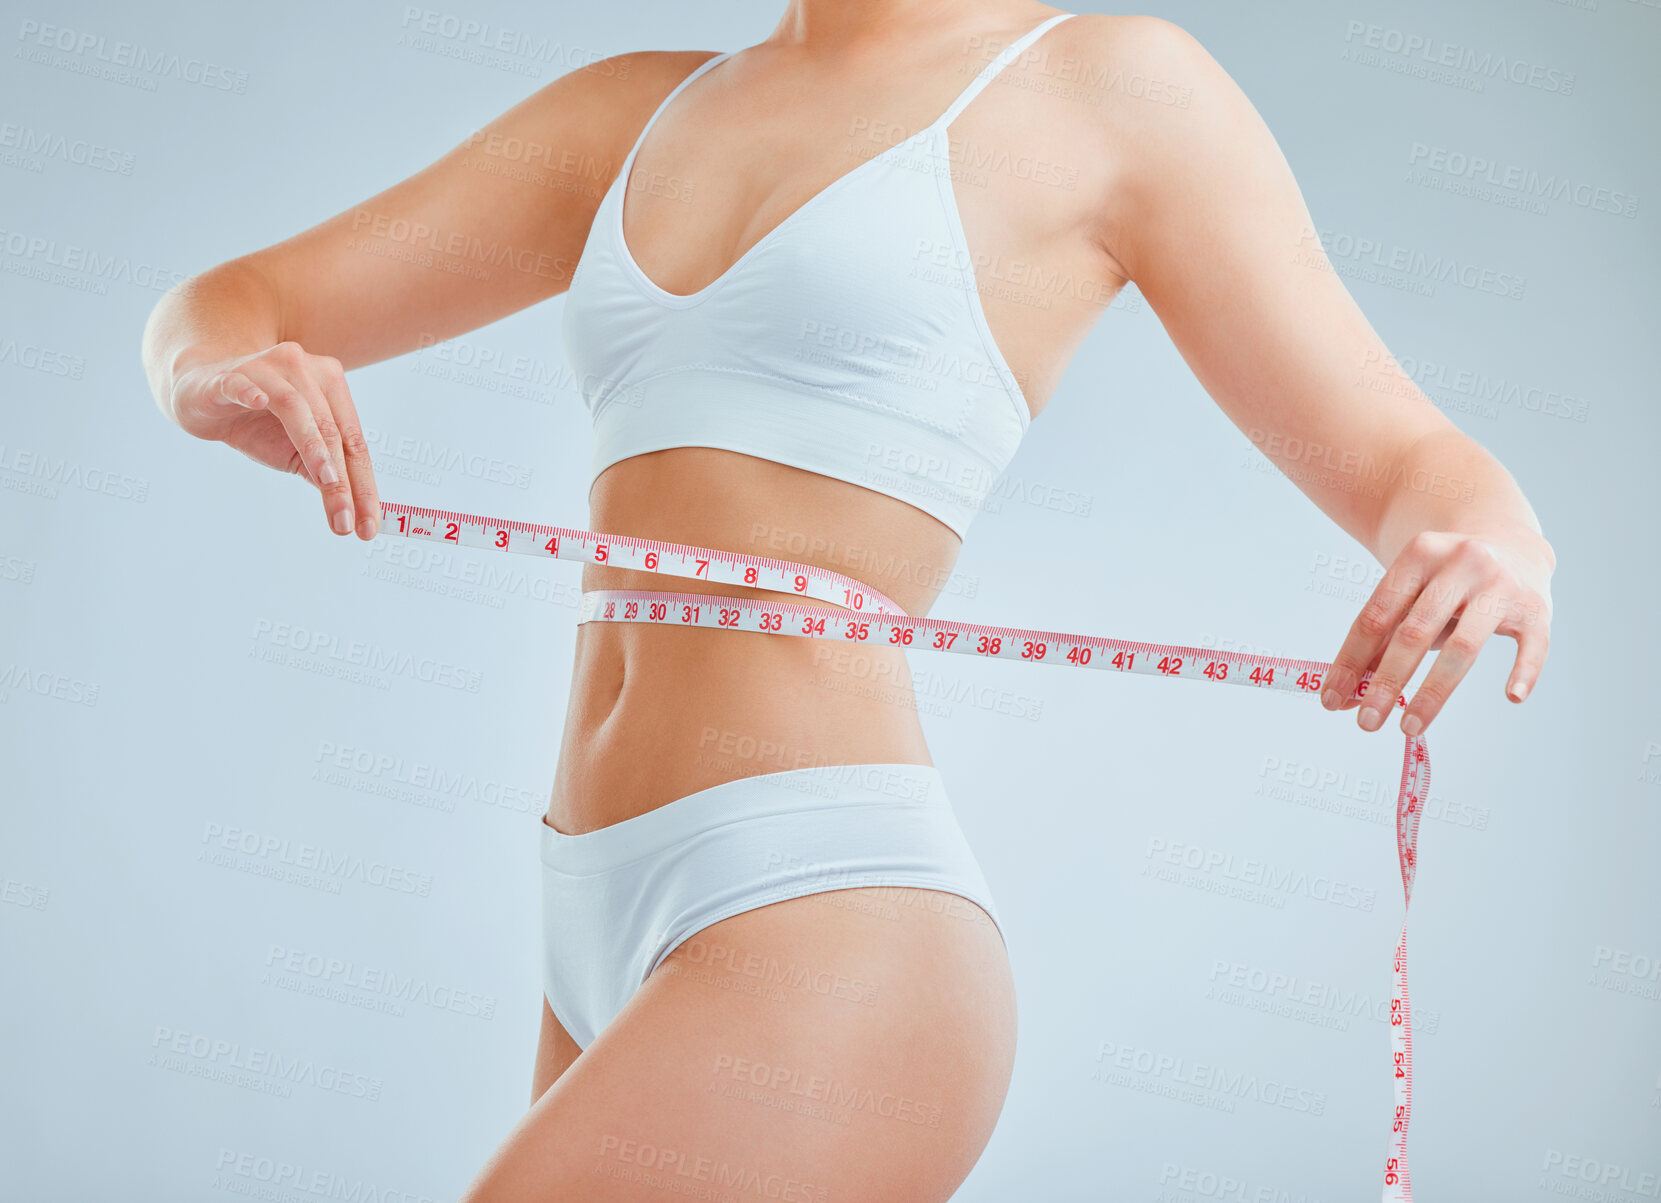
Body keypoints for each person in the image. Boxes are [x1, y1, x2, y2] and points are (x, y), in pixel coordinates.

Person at [140, 2, 1555, 1198]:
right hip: (589, 901)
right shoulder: (629, 112)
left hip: (826, 912)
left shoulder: (1106, 86)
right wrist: (210, 374)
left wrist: (1494, 545)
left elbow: (1409, 460)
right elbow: (239, 298)